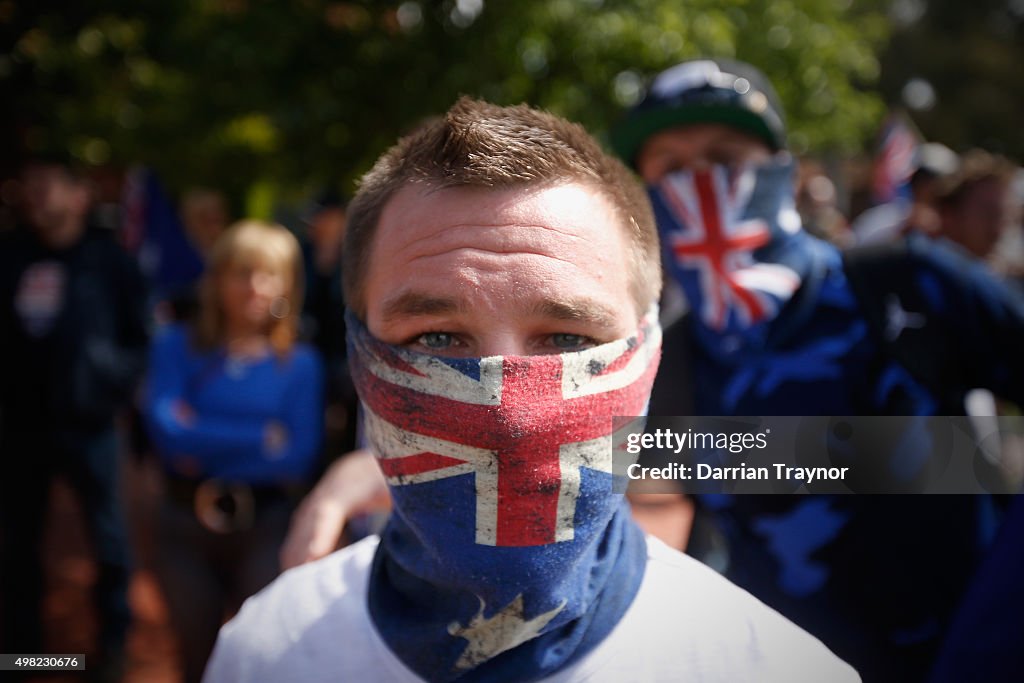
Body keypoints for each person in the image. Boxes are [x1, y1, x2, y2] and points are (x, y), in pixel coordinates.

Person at [203, 98, 858, 682]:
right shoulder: (265, 651)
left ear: (650, 348)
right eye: (436, 339)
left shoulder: (774, 666)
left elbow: (942, 456)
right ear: (358, 349)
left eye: (568, 340)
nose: (506, 413)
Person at [608, 58, 1024, 682]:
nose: (702, 187)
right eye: (671, 169)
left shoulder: (909, 284)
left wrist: (1001, 624)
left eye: (724, 159)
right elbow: (682, 517)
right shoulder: (672, 356)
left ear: (780, 169)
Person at [143, 220, 324, 683]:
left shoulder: (302, 363)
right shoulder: (174, 346)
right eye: (241, 272)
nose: (254, 287)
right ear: (217, 279)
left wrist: (200, 432)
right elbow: (167, 434)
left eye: (269, 274)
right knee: (195, 657)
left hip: (266, 526)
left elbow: (298, 454)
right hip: (183, 524)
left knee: (261, 657)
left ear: (288, 284)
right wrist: (259, 436)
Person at [0, 157, 150, 681]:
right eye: (31, 185)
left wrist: (108, 383)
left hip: (91, 428)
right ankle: (28, 658)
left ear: (79, 196)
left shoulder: (109, 261)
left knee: (109, 542)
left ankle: (111, 654)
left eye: (50, 186)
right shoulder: (12, 257)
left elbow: (140, 338)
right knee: (18, 547)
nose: (38, 196)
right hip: (21, 429)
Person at [935, 148, 1015, 262]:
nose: (998, 229)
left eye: (1001, 216)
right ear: (949, 215)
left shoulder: (999, 274)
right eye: (987, 214)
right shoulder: (917, 270)